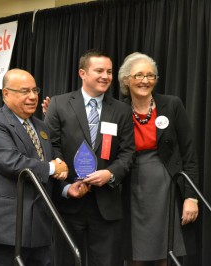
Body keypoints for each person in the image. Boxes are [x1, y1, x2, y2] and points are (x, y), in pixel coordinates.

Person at [44, 49, 135, 266]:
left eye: (109, 72)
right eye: (99, 70)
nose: (105, 76)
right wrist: (66, 185)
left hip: (106, 206)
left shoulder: (122, 110)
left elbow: (128, 152)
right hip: (68, 203)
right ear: (82, 73)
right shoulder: (59, 104)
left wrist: (110, 173)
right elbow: (50, 147)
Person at [0, 68, 69, 266]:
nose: (32, 97)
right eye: (24, 91)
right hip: (6, 229)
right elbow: (12, 162)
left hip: (40, 230)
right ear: (6, 94)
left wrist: (68, 189)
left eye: (35, 91)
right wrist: (53, 168)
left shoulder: (42, 127)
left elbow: (46, 167)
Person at [118, 52, 199, 266]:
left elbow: (189, 154)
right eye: (139, 75)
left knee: (165, 252)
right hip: (130, 188)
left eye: (150, 75)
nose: (145, 81)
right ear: (126, 80)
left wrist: (191, 197)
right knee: (134, 254)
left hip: (166, 186)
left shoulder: (171, 105)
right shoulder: (117, 110)